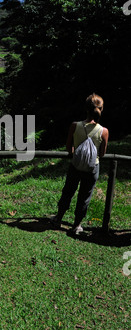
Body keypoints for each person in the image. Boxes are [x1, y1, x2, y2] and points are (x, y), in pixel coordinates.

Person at [51, 93, 109, 235]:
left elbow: (69, 146)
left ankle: (58, 218)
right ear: (101, 109)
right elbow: (102, 154)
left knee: (68, 191)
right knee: (85, 196)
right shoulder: (104, 131)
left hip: (75, 165)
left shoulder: (75, 126)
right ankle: (77, 225)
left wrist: (76, 154)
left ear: (86, 109)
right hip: (92, 167)